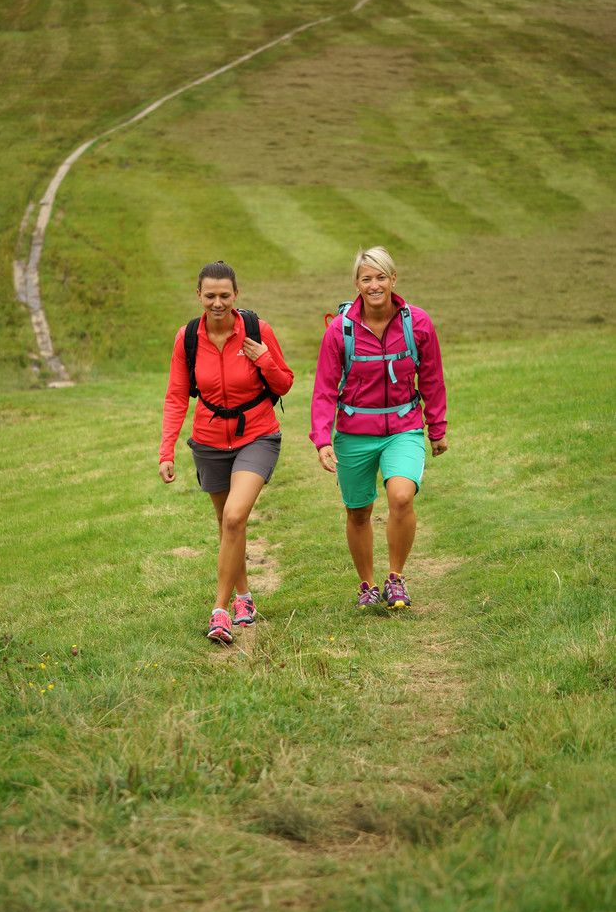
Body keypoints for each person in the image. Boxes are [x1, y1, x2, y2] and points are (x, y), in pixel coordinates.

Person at [159, 260, 294, 643]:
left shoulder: (257, 330)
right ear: (198, 295)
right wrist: (166, 450)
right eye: (210, 296)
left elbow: (284, 384)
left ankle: (220, 611)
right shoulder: (187, 338)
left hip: (257, 435)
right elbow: (175, 396)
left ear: (236, 295)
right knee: (227, 527)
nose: (217, 303)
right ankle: (244, 598)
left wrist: (263, 358)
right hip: (209, 440)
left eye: (225, 295)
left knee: (235, 517)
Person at [310, 246, 447, 610]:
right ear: (356, 283)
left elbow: (431, 378)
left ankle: (396, 579)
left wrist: (437, 427)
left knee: (401, 496)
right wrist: (322, 439)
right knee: (358, 511)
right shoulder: (340, 331)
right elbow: (324, 389)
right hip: (355, 434)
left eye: (381, 277)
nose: (374, 285)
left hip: (403, 426)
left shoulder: (416, 323)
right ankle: (367, 585)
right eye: (367, 278)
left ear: (393, 279)